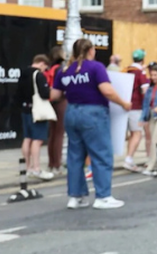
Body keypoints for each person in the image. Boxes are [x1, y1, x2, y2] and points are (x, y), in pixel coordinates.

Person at [50, 38, 132, 209]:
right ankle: (103, 196)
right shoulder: (96, 67)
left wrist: (73, 91)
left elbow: (54, 95)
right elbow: (107, 91)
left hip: (71, 113)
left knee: (75, 156)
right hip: (93, 113)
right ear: (91, 50)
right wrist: (123, 103)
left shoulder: (65, 70)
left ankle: (76, 196)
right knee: (101, 153)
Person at [17, 53, 54, 181]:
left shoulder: (22, 73)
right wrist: (50, 89)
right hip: (37, 111)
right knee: (37, 140)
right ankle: (36, 168)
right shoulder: (38, 75)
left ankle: (27, 168)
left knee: (27, 138)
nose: (45, 71)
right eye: (45, 68)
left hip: (25, 109)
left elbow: (18, 93)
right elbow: (44, 94)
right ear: (42, 63)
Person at [123, 49, 150, 171]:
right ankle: (128, 159)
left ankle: (129, 158)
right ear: (143, 59)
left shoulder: (125, 70)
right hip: (136, 106)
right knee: (137, 133)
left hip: (124, 105)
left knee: (132, 133)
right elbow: (145, 90)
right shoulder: (140, 72)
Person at [46, 45, 67, 175]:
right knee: (59, 133)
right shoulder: (61, 68)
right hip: (60, 101)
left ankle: (51, 163)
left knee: (52, 134)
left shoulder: (50, 68)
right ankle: (58, 165)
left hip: (50, 101)